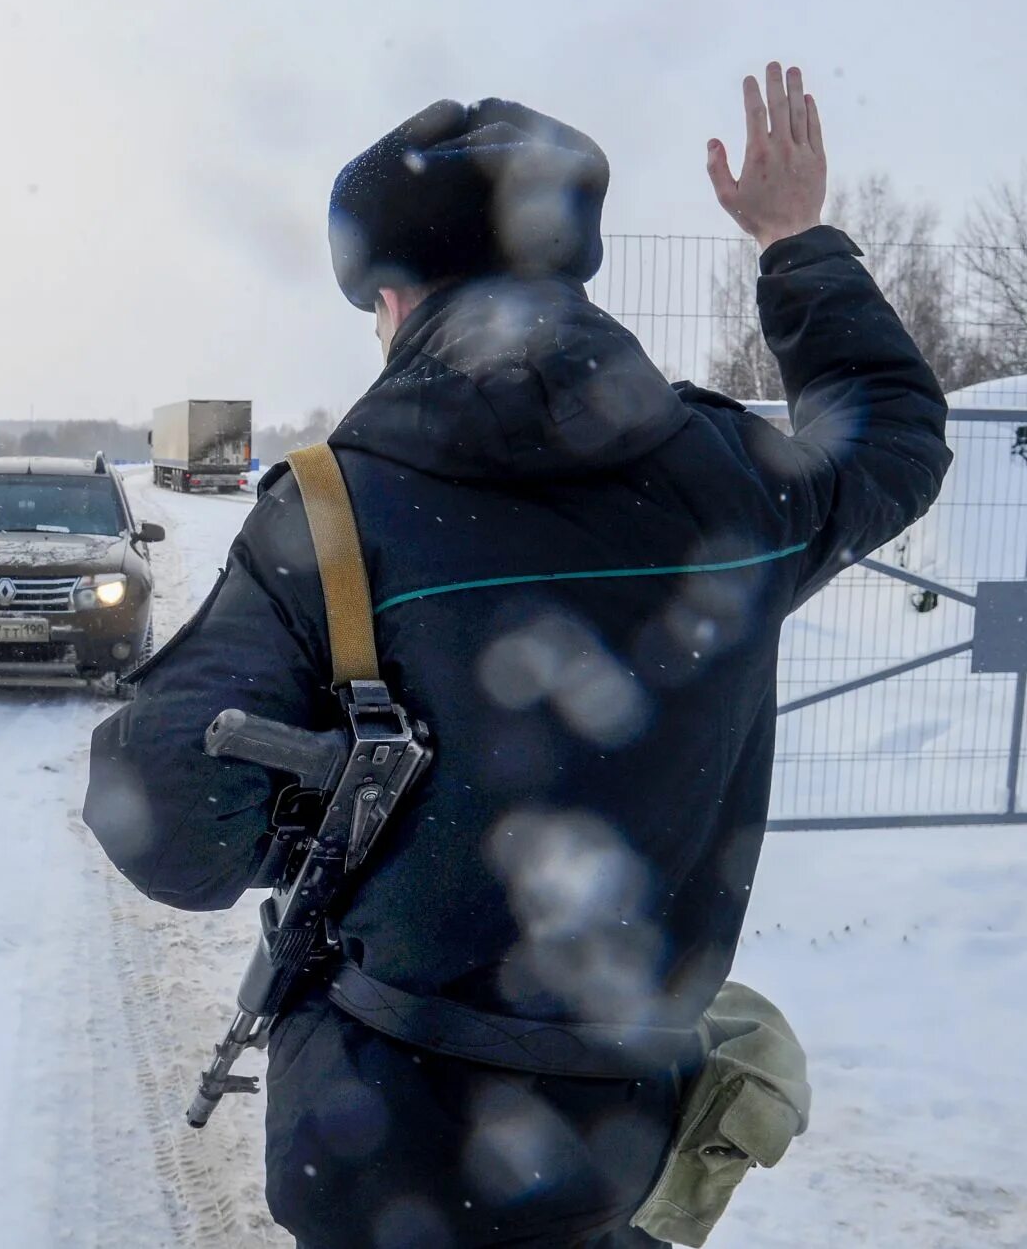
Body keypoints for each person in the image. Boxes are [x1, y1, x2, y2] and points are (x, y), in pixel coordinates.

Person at [84, 64, 950, 1248]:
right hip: (621, 1148)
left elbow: (173, 830)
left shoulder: (334, 515)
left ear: (392, 300)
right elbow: (896, 441)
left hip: (376, 1152)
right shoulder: (737, 482)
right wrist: (794, 240)